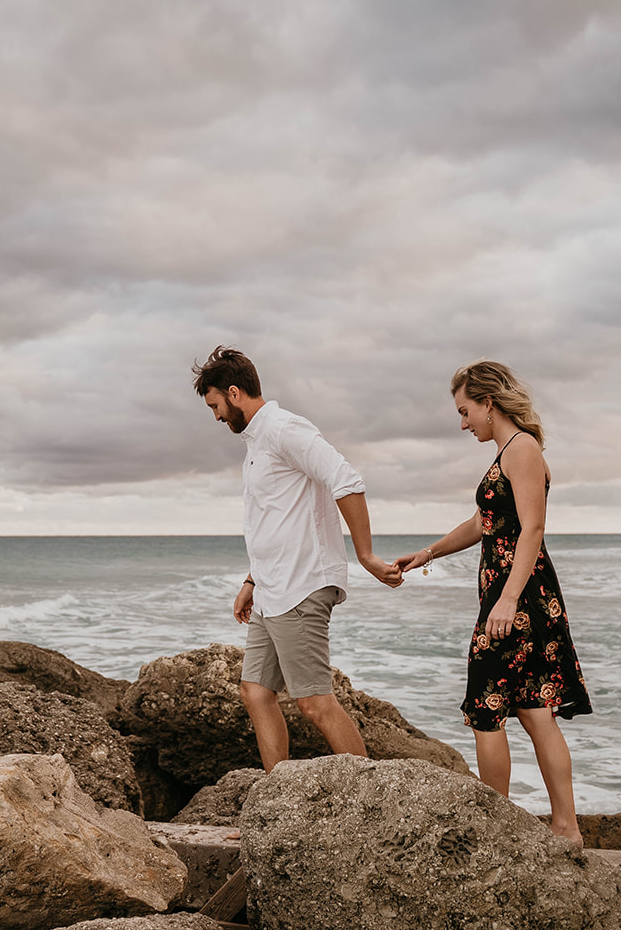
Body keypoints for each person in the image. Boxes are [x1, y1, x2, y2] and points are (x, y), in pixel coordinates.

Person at [394, 360, 592, 843]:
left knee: (488, 704)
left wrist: (505, 602)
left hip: (518, 599)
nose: (464, 423)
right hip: (518, 595)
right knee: (530, 708)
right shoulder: (508, 450)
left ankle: (496, 828)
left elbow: (533, 529)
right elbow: (485, 523)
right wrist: (429, 551)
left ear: (488, 402)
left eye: (465, 411)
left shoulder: (521, 448)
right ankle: (564, 828)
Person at [193, 345, 403, 773]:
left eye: (215, 405)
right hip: (272, 587)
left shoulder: (286, 429)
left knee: (313, 702)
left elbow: (346, 479)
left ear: (234, 393)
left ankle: (370, 801)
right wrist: (252, 581)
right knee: (254, 692)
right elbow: (274, 521)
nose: (215, 416)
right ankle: (277, 799)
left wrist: (365, 555)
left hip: (301, 585)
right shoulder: (256, 442)